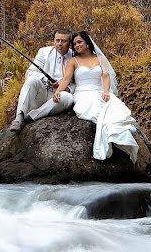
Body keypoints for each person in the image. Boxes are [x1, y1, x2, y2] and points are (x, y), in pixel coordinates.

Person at [53, 31, 139, 162]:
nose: (77, 45)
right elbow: (66, 79)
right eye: (75, 43)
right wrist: (58, 91)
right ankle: (113, 134)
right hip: (83, 93)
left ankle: (121, 131)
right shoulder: (73, 61)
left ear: (87, 43)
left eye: (80, 42)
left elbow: (105, 75)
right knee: (95, 109)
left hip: (99, 91)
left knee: (112, 105)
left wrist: (106, 92)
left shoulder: (100, 58)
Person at [8, 29, 75, 131]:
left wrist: (68, 89)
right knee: (32, 80)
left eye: (63, 41)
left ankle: (30, 117)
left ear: (69, 43)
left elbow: (78, 81)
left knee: (68, 98)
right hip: (43, 91)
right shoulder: (44, 52)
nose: (59, 44)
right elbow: (29, 72)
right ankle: (19, 116)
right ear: (54, 41)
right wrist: (46, 79)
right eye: (57, 40)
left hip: (59, 97)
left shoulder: (75, 56)